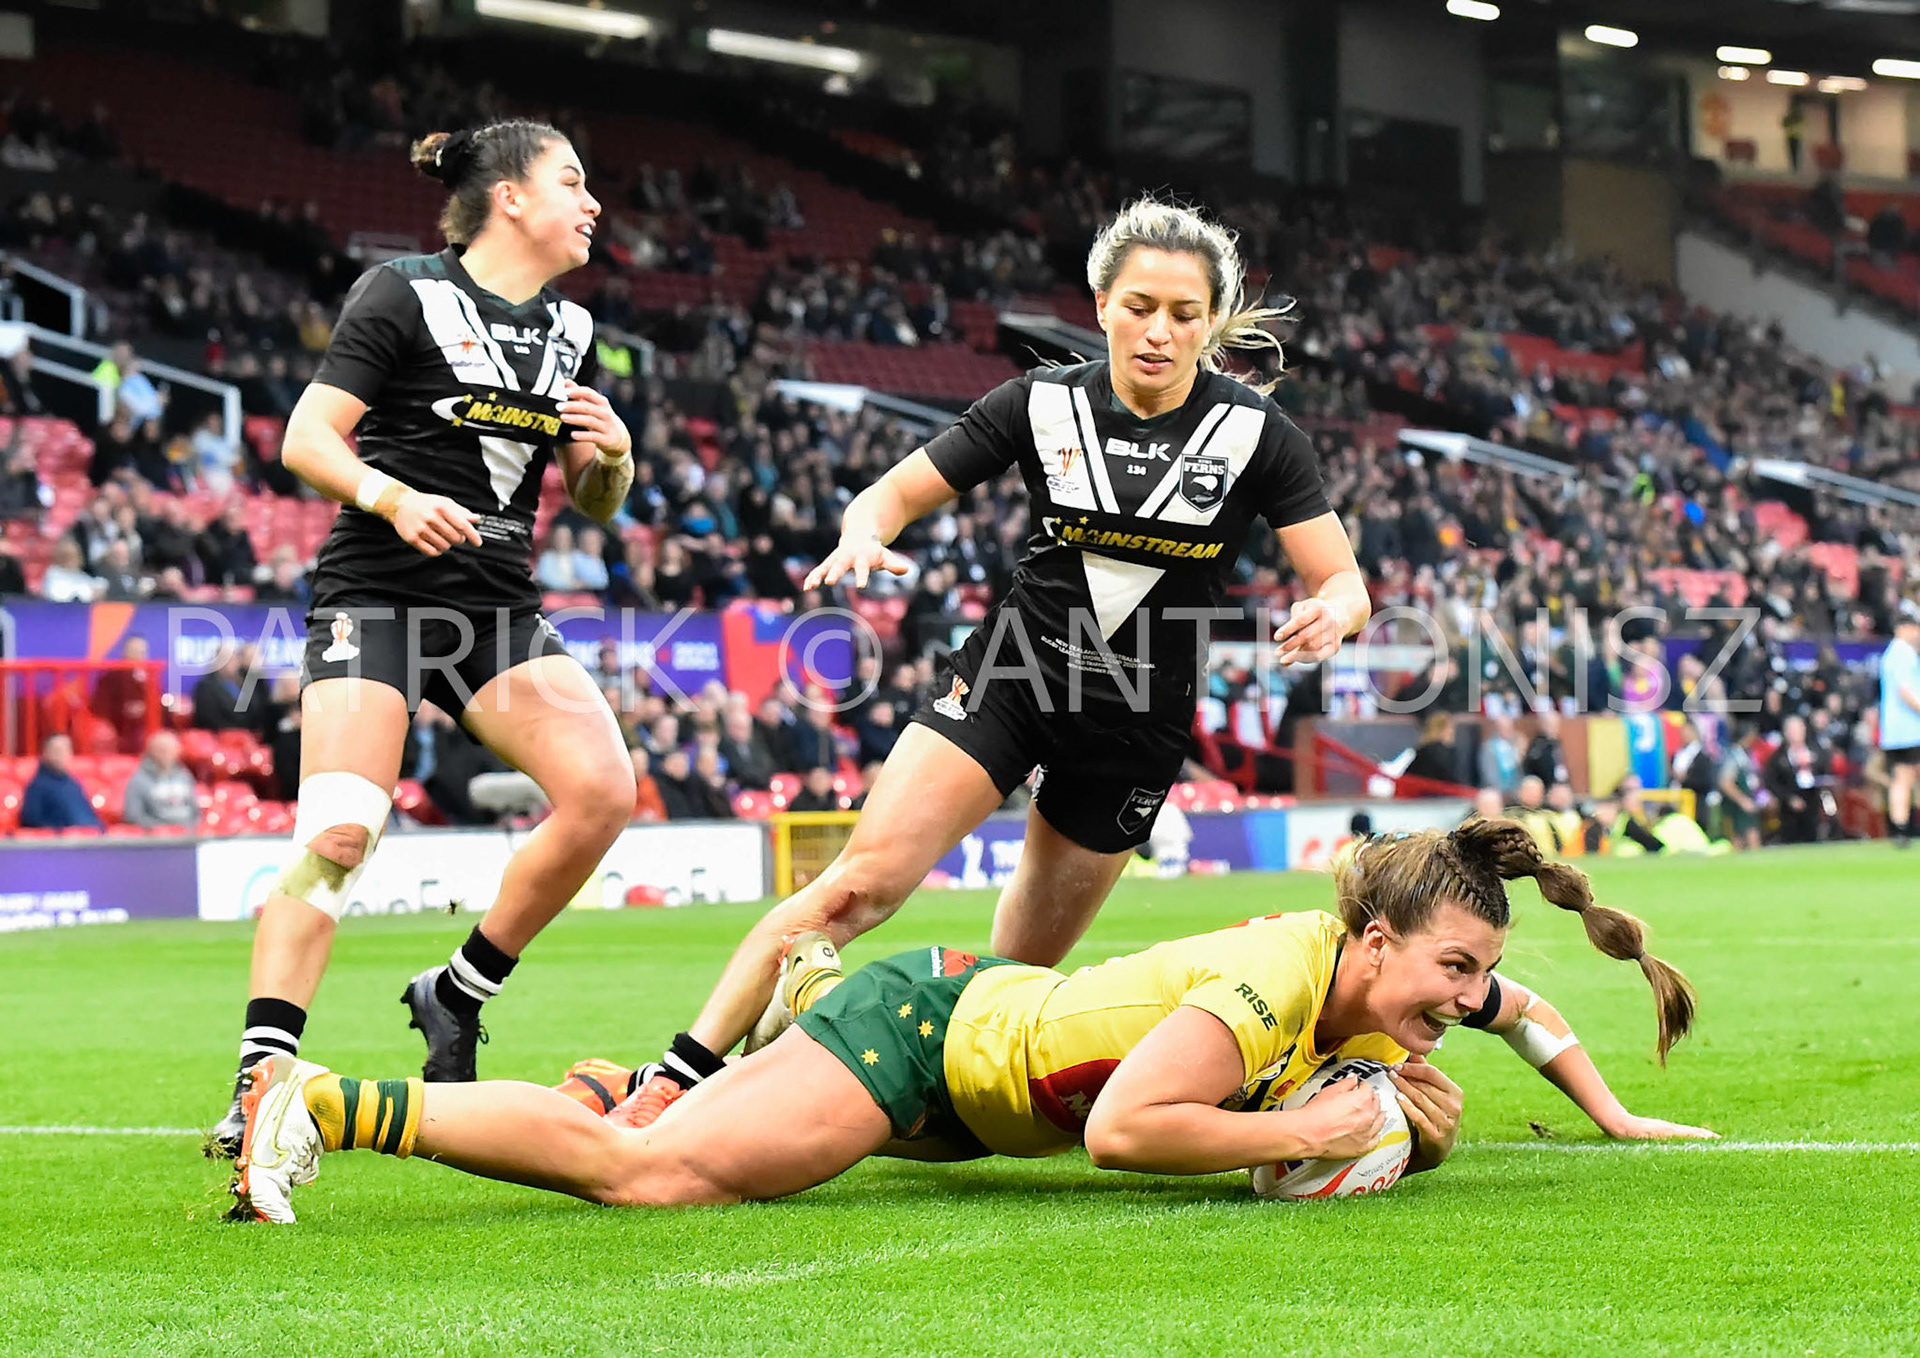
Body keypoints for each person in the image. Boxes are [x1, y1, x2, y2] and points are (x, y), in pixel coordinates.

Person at [609, 195, 1372, 1125]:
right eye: (1138, 307)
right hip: (1012, 675)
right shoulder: (1038, 401)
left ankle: (855, 1083)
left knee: (1015, 985)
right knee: (857, 886)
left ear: (1212, 321)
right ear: (1100, 305)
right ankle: (676, 1080)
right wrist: (865, 533)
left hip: (1137, 723)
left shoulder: (1258, 435)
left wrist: (1332, 612)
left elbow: (1344, 580)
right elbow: (888, 496)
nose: (1159, 332)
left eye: (1182, 313)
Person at [230, 818, 1704, 1224]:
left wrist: (1609, 1113)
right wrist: (1313, 1126)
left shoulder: (1390, 998)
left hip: (964, 1072)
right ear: (1375, 942)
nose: (1464, 998)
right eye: (1448, 970)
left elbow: (1535, 1012)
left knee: (668, 1132)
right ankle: (316, 1104)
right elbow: (1130, 1130)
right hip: (922, 1041)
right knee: (653, 1178)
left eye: (1467, 979)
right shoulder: (1272, 983)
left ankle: (648, 1079)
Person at [207, 118, 636, 1158]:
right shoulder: (400, 289)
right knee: (341, 833)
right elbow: (306, 438)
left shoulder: (573, 329)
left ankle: (458, 988)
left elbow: (592, 500)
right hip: (380, 596)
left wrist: (613, 460)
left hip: (496, 609)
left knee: (605, 792)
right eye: (573, 180)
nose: (592, 203)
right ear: (512, 197)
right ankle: (262, 1075)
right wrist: (392, 498)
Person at [1878, 604, 1920, 847]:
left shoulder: (1890, 653)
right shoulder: (1903, 653)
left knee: (1901, 778)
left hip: (1894, 731)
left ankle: (1902, 826)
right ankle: (1904, 827)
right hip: (1908, 730)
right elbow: (1905, 690)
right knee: (1905, 778)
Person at [19, 733, 102, 831]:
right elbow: (32, 821)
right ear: (45, 753)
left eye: (66, 750)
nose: (62, 755)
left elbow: (88, 817)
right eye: (57, 750)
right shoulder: (36, 786)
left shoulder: (73, 784)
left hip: (91, 838)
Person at [121, 729, 198, 828]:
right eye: (161, 750)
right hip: (155, 839)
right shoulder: (138, 780)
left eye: (171, 749)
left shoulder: (185, 776)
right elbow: (133, 816)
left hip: (186, 835)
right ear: (151, 751)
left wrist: (189, 828)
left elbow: (195, 811)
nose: (166, 754)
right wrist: (160, 829)